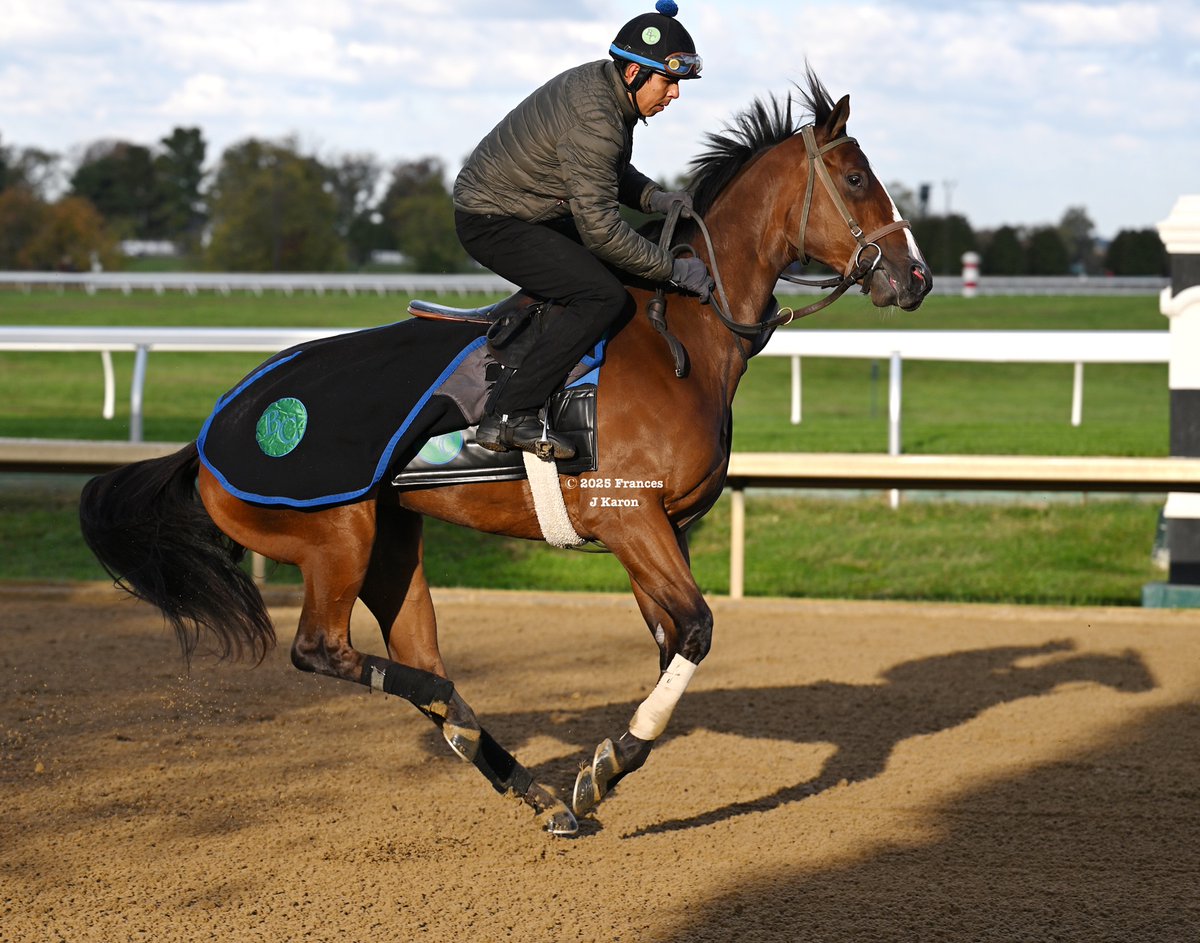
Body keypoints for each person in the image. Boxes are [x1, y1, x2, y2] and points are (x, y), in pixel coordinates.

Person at [453, 0, 711, 460]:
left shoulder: (607, 92)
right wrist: (672, 270)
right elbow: (602, 231)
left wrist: (654, 197)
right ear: (634, 73)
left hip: (531, 210)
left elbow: (611, 170)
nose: (674, 95)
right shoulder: (597, 117)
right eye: (669, 81)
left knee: (618, 275)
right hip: (492, 219)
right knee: (601, 296)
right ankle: (510, 415)